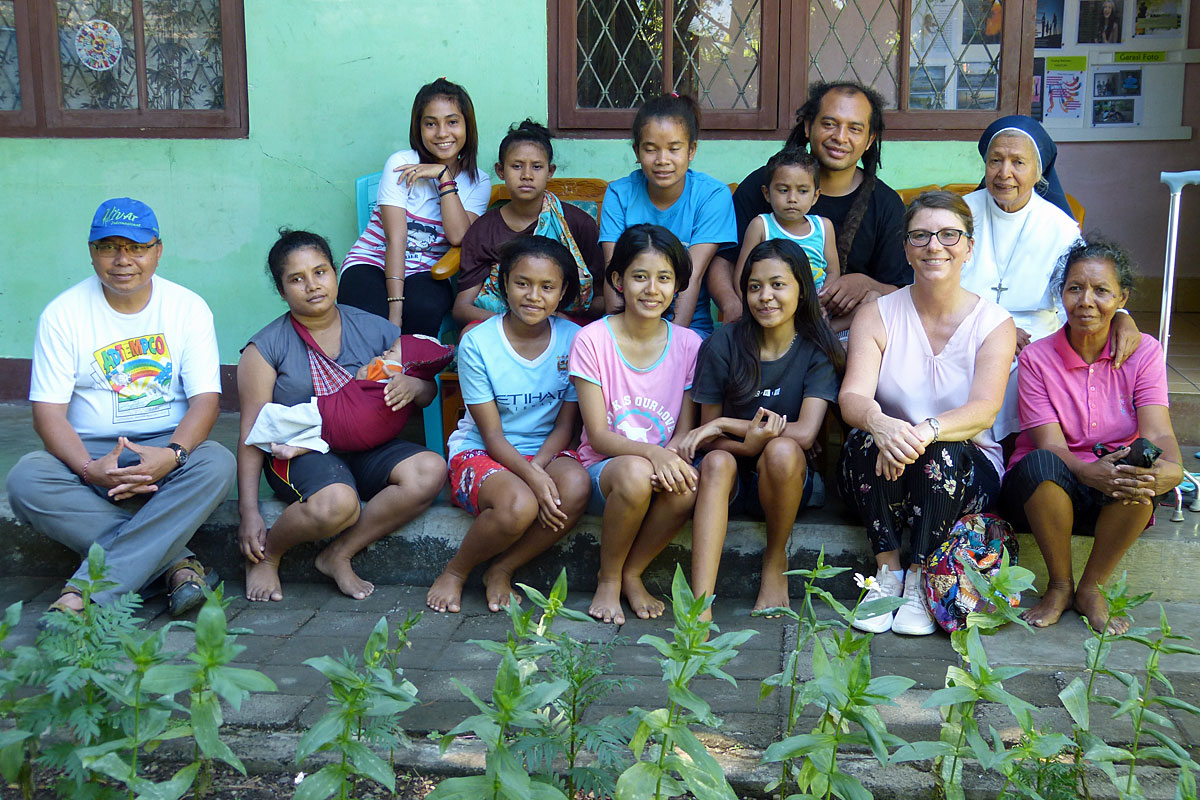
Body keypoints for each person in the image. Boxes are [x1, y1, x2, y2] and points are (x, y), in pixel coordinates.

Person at [6, 197, 234, 617]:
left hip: (166, 448)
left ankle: (87, 591)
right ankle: (177, 565)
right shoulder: (63, 314)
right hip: (91, 452)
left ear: (158, 251)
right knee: (27, 478)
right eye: (109, 247)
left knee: (217, 462)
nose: (123, 260)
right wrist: (88, 468)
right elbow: (48, 414)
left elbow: (206, 401)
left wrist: (173, 455)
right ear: (92, 252)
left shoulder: (187, 307)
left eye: (137, 247)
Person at [838, 192, 1015, 636]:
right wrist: (881, 423)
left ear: (969, 247)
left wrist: (926, 430)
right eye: (920, 235)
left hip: (963, 469)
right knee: (867, 438)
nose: (935, 245)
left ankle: (921, 578)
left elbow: (984, 410)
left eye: (949, 235)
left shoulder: (994, 323)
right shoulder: (876, 315)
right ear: (906, 248)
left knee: (941, 450)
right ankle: (888, 574)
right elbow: (853, 396)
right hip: (886, 467)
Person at [237, 230, 446, 603]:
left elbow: (426, 392)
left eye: (320, 272)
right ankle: (269, 556)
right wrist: (249, 510)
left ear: (335, 273)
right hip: (302, 453)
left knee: (430, 470)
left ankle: (339, 553)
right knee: (338, 503)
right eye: (296, 279)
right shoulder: (265, 348)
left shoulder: (376, 329)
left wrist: (416, 387)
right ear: (282, 291)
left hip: (367, 445)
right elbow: (253, 432)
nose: (312, 285)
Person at [1001, 239, 1181, 634]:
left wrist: (1173, 468)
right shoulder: (1037, 358)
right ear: (1061, 294)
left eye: (1101, 290)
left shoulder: (1145, 353)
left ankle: (1091, 588)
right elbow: (1050, 444)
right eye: (1075, 288)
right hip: (1047, 494)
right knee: (1041, 462)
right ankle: (1060, 586)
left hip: (1112, 492)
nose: (1086, 301)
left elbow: (1158, 432)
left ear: (1122, 298)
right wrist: (1087, 471)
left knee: (1145, 461)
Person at [429, 236, 592, 614]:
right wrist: (532, 477)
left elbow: (565, 427)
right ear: (504, 284)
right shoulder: (478, 343)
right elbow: (492, 435)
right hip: (483, 449)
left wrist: (539, 468)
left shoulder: (574, 339)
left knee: (575, 486)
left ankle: (502, 569)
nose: (534, 296)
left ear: (562, 292)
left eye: (547, 286)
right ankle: (455, 571)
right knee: (519, 504)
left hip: (546, 448)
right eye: (522, 283)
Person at [681, 239, 843, 615]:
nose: (765, 296)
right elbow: (708, 439)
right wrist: (747, 444)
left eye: (778, 285)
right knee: (717, 462)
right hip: (727, 479)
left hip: (785, 481)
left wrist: (728, 423)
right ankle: (699, 604)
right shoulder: (723, 344)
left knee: (782, 448)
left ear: (802, 289)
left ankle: (775, 561)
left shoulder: (817, 349)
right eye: (755, 287)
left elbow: (804, 433)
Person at [963, 115, 1140, 439]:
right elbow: (933, 285)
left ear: (1038, 170)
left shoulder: (1060, 227)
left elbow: (1087, 284)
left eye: (1018, 162)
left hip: (1035, 336)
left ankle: (1018, 449)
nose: (1004, 173)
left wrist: (1121, 316)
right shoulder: (960, 215)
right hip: (964, 326)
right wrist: (993, 328)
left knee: (1030, 368)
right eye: (995, 160)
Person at [570, 224, 704, 625]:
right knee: (634, 473)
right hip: (606, 472)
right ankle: (608, 578)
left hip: (660, 464)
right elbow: (598, 436)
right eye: (640, 276)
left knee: (686, 487)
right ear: (618, 281)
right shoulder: (592, 340)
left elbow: (684, 429)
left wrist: (669, 457)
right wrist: (652, 455)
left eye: (664, 278)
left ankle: (632, 573)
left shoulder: (689, 345)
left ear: (678, 286)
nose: (652, 289)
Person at [711, 81, 911, 333]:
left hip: (842, 332)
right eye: (829, 124)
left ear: (870, 139)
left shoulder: (886, 204)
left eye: (854, 128)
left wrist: (865, 283)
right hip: (762, 327)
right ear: (808, 126)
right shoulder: (765, 185)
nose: (840, 137)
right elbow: (723, 260)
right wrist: (732, 306)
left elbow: (901, 290)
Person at [339, 78, 491, 336]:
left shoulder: (478, 181)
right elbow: (395, 239)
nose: (442, 133)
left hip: (427, 270)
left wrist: (444, 177)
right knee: (369, 316)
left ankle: (411, 363)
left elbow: (458, 237)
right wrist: (395, 312)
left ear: (467, 126)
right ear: (418, 128)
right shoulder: (401, 163)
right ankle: (371, 364)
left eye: (452, 122)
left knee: (424, 308)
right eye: (430, 123)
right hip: (373, 260)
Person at [598, 94, 735, 340]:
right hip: (628, 325)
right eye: (651, 149)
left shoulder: (712, 196)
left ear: (691, 150)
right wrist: (619, 338)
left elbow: (692, 275)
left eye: (674, 149)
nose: (662, 160)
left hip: (688, 328)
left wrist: (671, 344)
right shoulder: (619, 194)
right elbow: (613, 273)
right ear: (637, 151)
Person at [453, 120, 604, 328]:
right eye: (516, 166)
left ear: (550, 171)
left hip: (563, 326)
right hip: (503, 327)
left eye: (537, 167)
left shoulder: (577, 224)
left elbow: (601, 299)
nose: (526, 175)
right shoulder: (483, 230)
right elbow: (462, 307)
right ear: (500, 171)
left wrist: (555, 319)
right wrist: (516, 322)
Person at [243, 332, 453, 460]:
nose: (385, 353)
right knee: (322, 433)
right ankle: (298, 447)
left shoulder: (390, 369)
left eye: (391, 351)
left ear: (407, 364)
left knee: (302, 417)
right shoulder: (405, 380)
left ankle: (264, 428)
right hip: (366, 435)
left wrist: (369, 369)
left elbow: (363, 377)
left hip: (350, 415)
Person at [733, 147, 839, 296]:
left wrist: (822, 300)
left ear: (815, 196)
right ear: (767, 193)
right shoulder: (761, 226)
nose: (792, 199)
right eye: (783, 190)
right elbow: (742, 276)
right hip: (770, 304)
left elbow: (833, 272)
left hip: (815, 306)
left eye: (802, 191)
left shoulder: (824, 227)